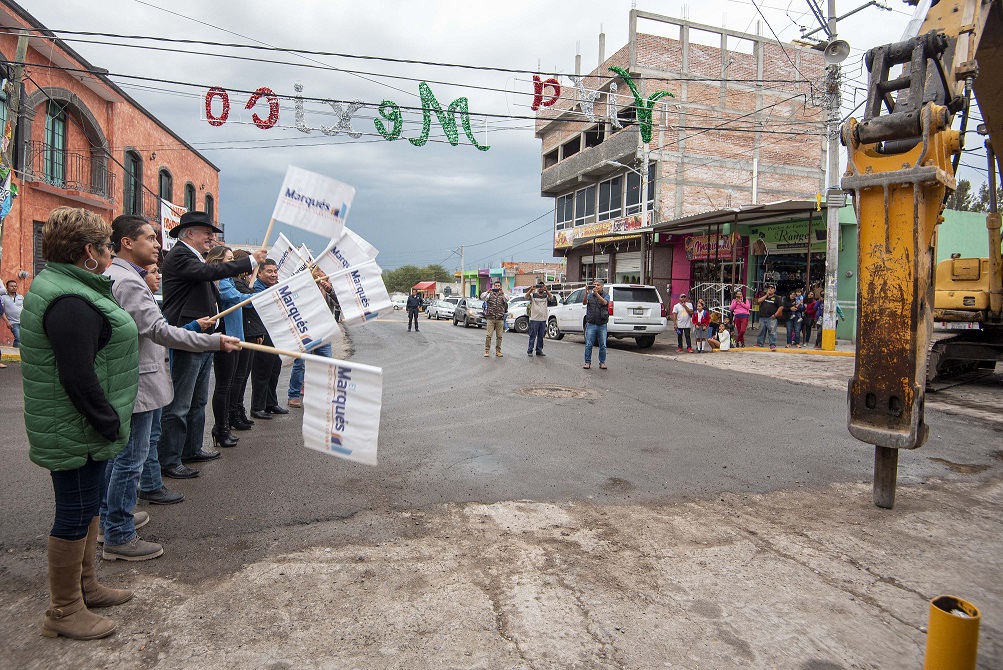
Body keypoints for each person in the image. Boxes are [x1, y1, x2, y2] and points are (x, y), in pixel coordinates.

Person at [21, 207, 139, 640]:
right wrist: (107, 420)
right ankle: (64, 609)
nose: (111, 252)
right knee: (73, 514)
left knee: (88, 508)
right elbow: (76, 373)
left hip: (82, 427)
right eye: (108, 246)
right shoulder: (69, 300)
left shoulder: (71, 286)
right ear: (89, 252)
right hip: (76, 428)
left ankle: (86, 586)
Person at [101, 216, 239, 561]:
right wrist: (211, 341)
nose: (158, 244)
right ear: (127, 243)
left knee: (125, 456)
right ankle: (117, 532)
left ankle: (111, 517)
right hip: (139, 377)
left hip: (133, 374)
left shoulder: (124, 276)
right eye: (150, 237)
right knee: (130, 458)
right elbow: (158, 331)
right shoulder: (130, 282)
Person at [156, 212, 266, 480]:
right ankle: (170, 459)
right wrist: (250, 260)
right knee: (180, 404)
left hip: (203, 336)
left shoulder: (193, 258)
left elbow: (209, 283)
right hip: (188, 337)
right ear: (189, 233)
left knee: (198, 400)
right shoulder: (181, 255)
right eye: (207, 233)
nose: (211, 238)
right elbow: (211, 271)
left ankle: (192, 448)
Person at [202, 245, 246, 448]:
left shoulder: (227, 279)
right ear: (218, 261)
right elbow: (234, 299)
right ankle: (221, 428)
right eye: (229, 260)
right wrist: (262, 297)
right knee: (223, 386)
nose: (233, 263)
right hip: (225, 336)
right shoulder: (220, 280)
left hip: (235, 335)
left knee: (229, 384)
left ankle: (225, 425)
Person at [288, 267, 337, 406]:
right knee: (300, 363)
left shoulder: (329, 287)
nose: (324, 274)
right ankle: (293, 395)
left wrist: (330, 290)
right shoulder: (306, 285)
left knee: (326, 363)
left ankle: (322, 395)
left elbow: (339, 303)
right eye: (321, 270)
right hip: (306, 331)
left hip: (324, 331)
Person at [249, 259, 287, 419]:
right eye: (269, 271)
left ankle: (270, 403)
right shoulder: (256, 289)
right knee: (262, 372)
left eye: (275, 271)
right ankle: (257, 407)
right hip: (262, 335)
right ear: (260, 273)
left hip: (275, 334)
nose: (273, 275)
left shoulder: (275, 287)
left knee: (274, 370)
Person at [228, 250, 257, 429]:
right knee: (236, 378)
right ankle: (233, 414)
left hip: (246, 332)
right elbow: (241, 301)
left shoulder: (239, 282)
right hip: (241, 333)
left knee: (242, 376)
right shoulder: (235, 283)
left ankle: (238, 410)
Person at [582, 278, 609, 369]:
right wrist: (586, 293)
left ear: (602, 286)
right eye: (595, 285)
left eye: (598, 285)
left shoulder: (606, 295)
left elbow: (605, 302)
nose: (596, 287)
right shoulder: (590, 295)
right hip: (591, 323)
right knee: (589, 344)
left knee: (603, 345)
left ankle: (602, 362)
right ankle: (587, 362)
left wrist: (597, 294)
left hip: (602, 324)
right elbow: (584, 302)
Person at [482, 280, 508, 357]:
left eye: (498, 286)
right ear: (493, 286)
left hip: (500, 318)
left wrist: (503, 293)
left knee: (499, 336)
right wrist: (487, 291)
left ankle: (498, 351)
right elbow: (482, 297)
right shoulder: (489, 294)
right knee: (489, 335)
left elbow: (507, 299)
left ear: (500, 286)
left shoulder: (503, 295)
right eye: (496, 286)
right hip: (491, 318)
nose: (497, 287)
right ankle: (487, 351)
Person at [525, 281, 551, 356]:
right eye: (539, 287)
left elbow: (551, 297)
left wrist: (547, 290)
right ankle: (530, 350)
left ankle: (539, 350)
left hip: (543, 319)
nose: (541, 288)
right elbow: (526, 297)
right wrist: (531, 289)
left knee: (541, 336)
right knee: (532, 336)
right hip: (534, 319)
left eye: (542, 287)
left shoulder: (546, 296)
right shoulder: (533, 295)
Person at [755, 285, 782, 351]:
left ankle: (772, 344)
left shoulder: (777, 298)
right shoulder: (764, 296)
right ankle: (759, 343)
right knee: (761, 331)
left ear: (774, 290)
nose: (770, 289)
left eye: (772, 288)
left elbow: (781, 307)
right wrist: (766, 295)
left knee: (772, 332)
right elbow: (758, 301)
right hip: (762, 317)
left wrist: (775, 315)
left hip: (771, 318)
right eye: (769, 288)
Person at [1, 278, 24, 347]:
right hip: (12, 322)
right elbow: (2, 311)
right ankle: (17, 351)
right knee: (18, 338)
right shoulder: (3, 298)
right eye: (11, 286)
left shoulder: (20, 297)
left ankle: (16, 351)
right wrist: (7, 321)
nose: (14, 288)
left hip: (23, 321)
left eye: (15, 286)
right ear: (7, 287)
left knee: (22, 339)